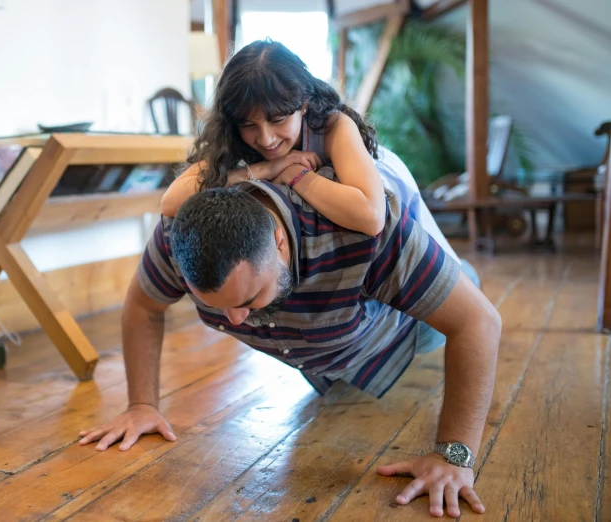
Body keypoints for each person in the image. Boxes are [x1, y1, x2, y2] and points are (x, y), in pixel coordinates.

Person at [78, 167, 501, 518]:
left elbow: (479, 323)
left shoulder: (360, 230)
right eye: (213, 306)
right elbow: (143, 306)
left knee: (464, 290)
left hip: (405, 330)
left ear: (279, 244)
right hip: (323, 352)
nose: (235, 320)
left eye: (247, 300)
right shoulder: (180, 235)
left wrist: (454, 458)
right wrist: (141, 405)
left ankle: (457, 270)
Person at [160, 38, 457, 263]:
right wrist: (266, 169)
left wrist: (296, 175)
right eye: (248, 124)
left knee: (454, 276)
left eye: (278, 120)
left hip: (413, 230)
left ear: (303, 104)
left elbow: (371, 215)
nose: (265, 139)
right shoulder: (234, 137)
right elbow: (171, 201)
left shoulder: (331, 126)